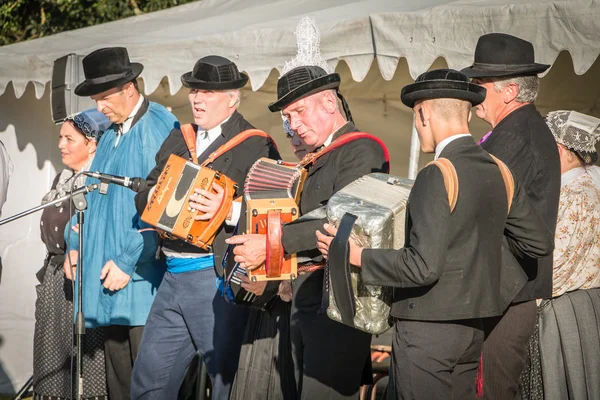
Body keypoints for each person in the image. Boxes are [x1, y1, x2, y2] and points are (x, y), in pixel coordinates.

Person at [315, 68, 555, 399]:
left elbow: (421, 266)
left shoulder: (436, 173)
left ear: (424, 113)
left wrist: (358, 256)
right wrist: (480, 275)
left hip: (426, 332)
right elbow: (538, 243)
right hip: (473, 329)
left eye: (416, 118)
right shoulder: (500, 171)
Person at [226, 63, 388, 399]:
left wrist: (271, 243)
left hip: (336, 297)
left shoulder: (361, 149)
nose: (293, 124)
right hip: (300, 298)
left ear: (330, 103)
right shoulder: (315, 157)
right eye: (288, 117)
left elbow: (342, 221)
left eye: (299, 111)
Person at [130, 55, 280, 400]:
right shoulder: (178, 138)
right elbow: (143, 196)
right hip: (171, 273)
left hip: (216, 277)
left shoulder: (256, 144)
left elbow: (271, 214)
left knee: (227, 383)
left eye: (207, 92)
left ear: (232, 98)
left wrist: (227, 208)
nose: (197, 99)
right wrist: (159, 194)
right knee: (149, 380)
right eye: (194, 90)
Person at [62, 47, 178, 400]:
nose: (99, 108)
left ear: (128, 88)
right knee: (120, 387)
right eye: (96, 99)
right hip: (108, 284)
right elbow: (94, 195)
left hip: (143, 284)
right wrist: (74, 242)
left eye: (104, 98)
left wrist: (129, 260)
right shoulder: (111, 134)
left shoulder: (159, 126)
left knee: (151, 387)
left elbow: (165, 208)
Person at [461, 33, 561, 399]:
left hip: (507, 291)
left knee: (493, 390)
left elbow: (480, 207)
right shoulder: (516, 129)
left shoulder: (516, 134)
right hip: (508, 290)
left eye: (480, 83)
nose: (472, 93)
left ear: (508, 92)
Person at [520, 110, 600, 400]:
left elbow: (554, 269)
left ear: (559, 150)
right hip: (582, 306)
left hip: (564, 312)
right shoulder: (589, 185)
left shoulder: (577, 195)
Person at [230, 117, 311, 400]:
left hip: (304, 299)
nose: (296, 142)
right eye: (291, 137)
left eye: (299, 135)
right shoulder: (281, 177)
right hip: (272, 305)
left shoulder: (315, 183)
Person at [34, 110, 110, 400]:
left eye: (69, 138)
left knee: (83, 356)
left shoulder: (98, 182)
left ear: (92, 143)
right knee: (52, 354)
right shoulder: (63, 179)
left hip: (82, 276)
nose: (61, 145)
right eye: (60, 138)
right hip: (55, 275)